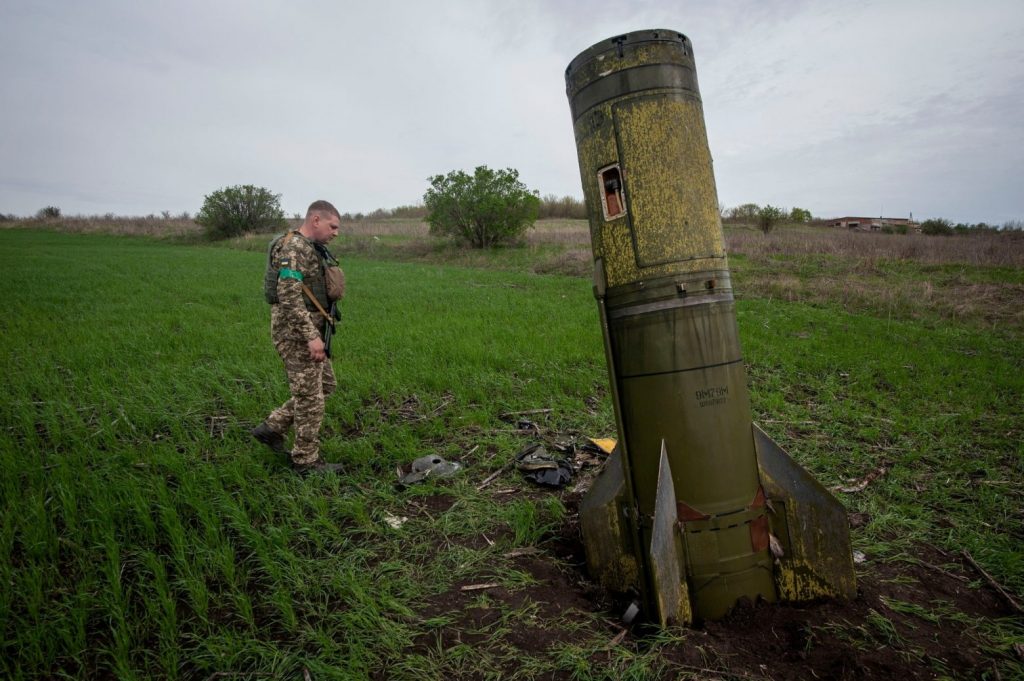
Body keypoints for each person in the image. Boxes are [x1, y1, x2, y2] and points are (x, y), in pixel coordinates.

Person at [251, 200, 345, 475]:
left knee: (325, 386)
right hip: (296, 336)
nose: (336, 232)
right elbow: (288, 295)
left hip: (310, 332)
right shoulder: (293, 248)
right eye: (333, 226)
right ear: (316, 220)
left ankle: (273, 427)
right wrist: (310, 337)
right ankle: (305, 462)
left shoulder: (308, 247)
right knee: (310, 399)